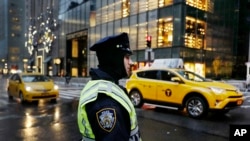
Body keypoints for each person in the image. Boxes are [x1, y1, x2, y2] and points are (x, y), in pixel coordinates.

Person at [77, 32, 141, 141]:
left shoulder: (108, 87)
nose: (131, 62)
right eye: (126, 57)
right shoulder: (106, 101)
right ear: (114, 59)